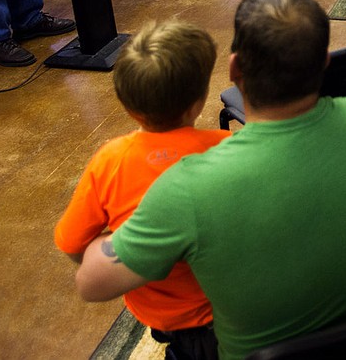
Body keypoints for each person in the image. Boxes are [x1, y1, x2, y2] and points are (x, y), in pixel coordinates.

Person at [74, 0, 346, 359]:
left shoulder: (189, 190)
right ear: (325, 61)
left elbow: (91, 283)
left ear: (234, 69)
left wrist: (96, 230)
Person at [55, 20, 229, 360]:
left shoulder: (110, 162)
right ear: (198, 102)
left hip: (169, 316)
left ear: (127, 106)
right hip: (232, 305)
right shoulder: (229, 146)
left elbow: (73, 245)